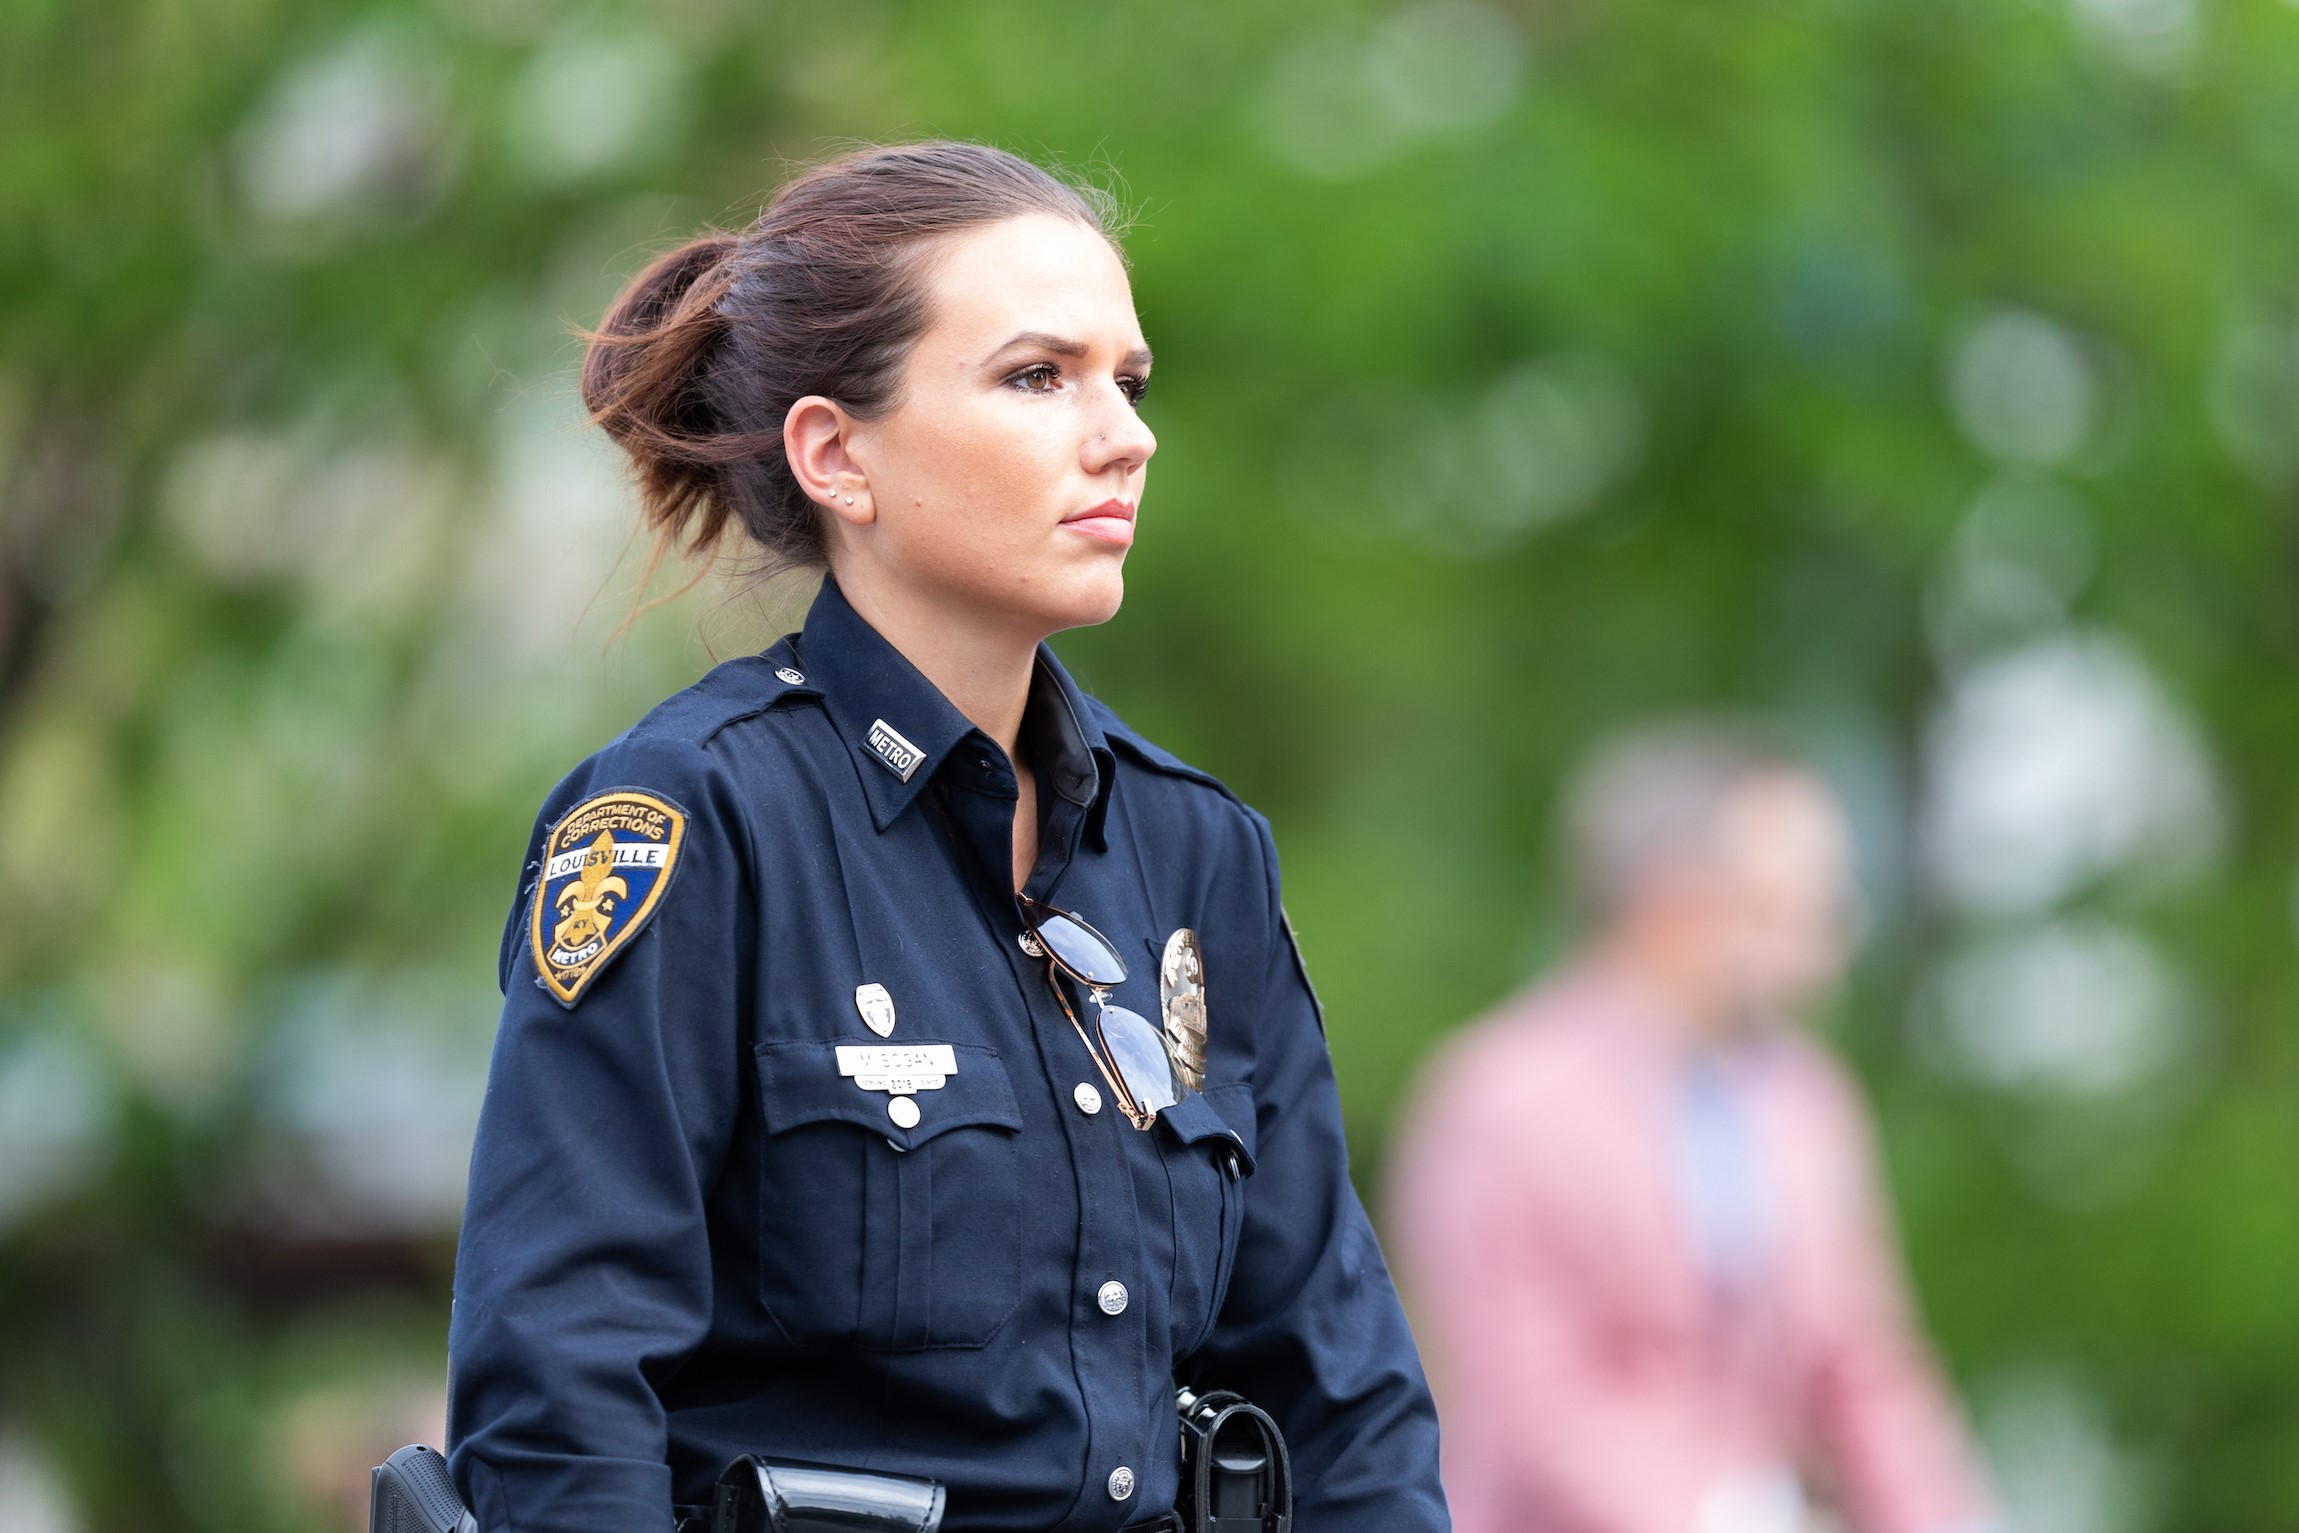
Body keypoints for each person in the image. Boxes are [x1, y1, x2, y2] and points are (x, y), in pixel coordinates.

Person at [444, 142, 1447, 1533]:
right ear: (835, 455)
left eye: (1127, 380)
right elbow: (557, 1403)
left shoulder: (1197, 854)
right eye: (1038, 377)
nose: (1124, 433)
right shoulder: (691, 823)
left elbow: (1340, 1396)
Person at [1385, 725, 1997, 1533]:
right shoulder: (1498, 1101)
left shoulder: (1807, 1102)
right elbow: (1523, 1394)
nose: (1834, 932)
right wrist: (1728, 1517)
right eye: (1792, 901)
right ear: (1671, 901)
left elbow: (1862, 1366)